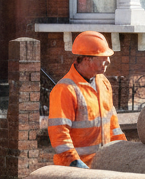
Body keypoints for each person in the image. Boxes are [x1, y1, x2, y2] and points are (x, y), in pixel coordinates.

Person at [48, 31, 126, 167]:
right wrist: (73, 161)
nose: (108, 61)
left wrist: (124, 148)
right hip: (75, 169)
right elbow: (59, 132)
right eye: (103, 57)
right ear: (86, 59)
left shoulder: (103, 83)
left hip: (102, 165)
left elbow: (113, 125)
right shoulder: (65, 89)